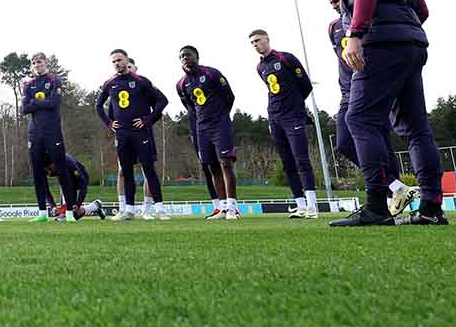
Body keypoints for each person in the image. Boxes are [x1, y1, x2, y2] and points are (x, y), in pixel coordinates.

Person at [325, 0, 446, 226]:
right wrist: (403, 31)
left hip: (380, 43)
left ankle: (377, 207)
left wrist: (356, 33)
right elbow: (422, 9)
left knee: (360, 120)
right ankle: (432, 208)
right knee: (416, 128)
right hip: (411, 42)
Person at [327, 0, 417, 215]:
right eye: (332, 2)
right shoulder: (333, 28)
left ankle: (389, 199)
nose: (336, 5)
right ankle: (396, 188)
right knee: (344, 143)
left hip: (371, 87)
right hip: (348, 91)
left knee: (382, 145)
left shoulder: (368, 18)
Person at [248, 30, 319, 219]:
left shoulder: (286, 58)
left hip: (293, 116)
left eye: (257, 40)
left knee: (301, 159)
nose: (255, 45)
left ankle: (312, 206)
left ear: (267, 40)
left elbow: (306, 85)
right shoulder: (260, 67)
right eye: (252, 43)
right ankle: (300, 204)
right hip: (274, 117)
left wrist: (295, 105)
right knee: (287, 163)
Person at [96, 50, 170, 221]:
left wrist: (148, 120)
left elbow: (162, 101)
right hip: (122, 134)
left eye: (119, 60)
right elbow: (98, 106)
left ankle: (159, 209)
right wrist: (108, 123)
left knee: (148, 169)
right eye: (113, 61)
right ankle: (129, 210)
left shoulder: (141, 81)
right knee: (126, 171)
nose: (117, 63)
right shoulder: (109, 83)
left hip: (141, 132)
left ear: (127, 60)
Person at [176, 46, 239, 220]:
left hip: (220, 124)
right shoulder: (181, 84)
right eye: (181, 56)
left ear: (196, 56)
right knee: (212, 167)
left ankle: (233, 207)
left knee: (225, 163)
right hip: (201, 128)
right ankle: (222, 208)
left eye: (188, 55)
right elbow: (190, 107)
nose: (185, 58)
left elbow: (229, 96)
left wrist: (221, 115)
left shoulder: (212, 73)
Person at [22, 53, 75, 223]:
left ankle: (69, 213)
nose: (37, 65)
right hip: (34, 133)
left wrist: (35, 103)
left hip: (52, 132)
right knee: (37, 172)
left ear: (46, 63)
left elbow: (54, 102)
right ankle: (42, 213)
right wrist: (42, 102)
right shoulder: (28, 85)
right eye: (34, 63)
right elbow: (24, 108)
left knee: (61, 170)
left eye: (40, 62)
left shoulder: (54, 80)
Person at [46, 156, 106, 220]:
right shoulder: (44, 166)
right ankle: (95, 206)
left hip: (80, 177)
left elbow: (83, 187)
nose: (48, 173)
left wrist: (78, 204)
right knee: (69, 212)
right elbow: (45, 190)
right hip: (66, 180)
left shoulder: (69, 164)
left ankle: (95, 205)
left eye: (50, 169)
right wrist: (53, 206)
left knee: (72, 212)